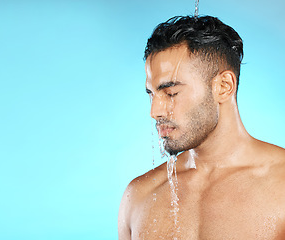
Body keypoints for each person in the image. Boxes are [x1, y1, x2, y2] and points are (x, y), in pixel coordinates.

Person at [118, 15, 285, 240]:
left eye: (171, 93)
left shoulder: (280, 186)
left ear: (224, 86)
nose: (155, 111)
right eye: (152, 94)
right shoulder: (139, 196)